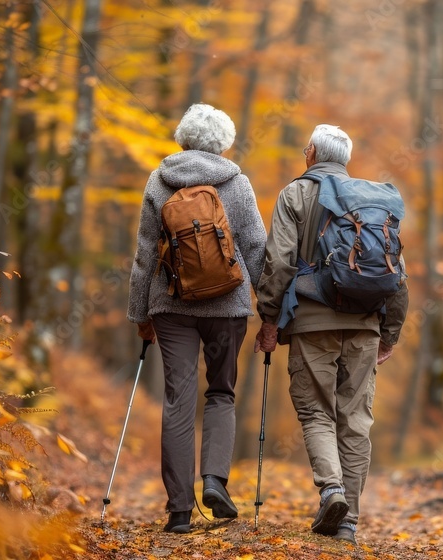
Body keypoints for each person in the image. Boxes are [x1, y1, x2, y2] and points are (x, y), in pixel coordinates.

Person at [254, 124, 408, 545]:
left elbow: (280, 260)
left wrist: (269, 318)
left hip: (311, 321)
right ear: (345, 158)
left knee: (316, 411)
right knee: (355, 421)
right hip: (366, 324)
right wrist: (390, 331)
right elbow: (397, 272)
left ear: (311, 153)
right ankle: (347, 524)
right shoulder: (373, 199)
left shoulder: (295, 194)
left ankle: (332, 490)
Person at [127, 103, 267, 534]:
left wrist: (139, 313)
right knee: (221, 392)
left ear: (183, 138)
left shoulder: (159, 179)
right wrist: (271, 309)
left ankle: (179, 511)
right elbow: (257, 247)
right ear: (223, 142)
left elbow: (145, 253)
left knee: (178, 401)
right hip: (228, 306)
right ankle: (214, 481)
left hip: (170, 305)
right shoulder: (236, 182)